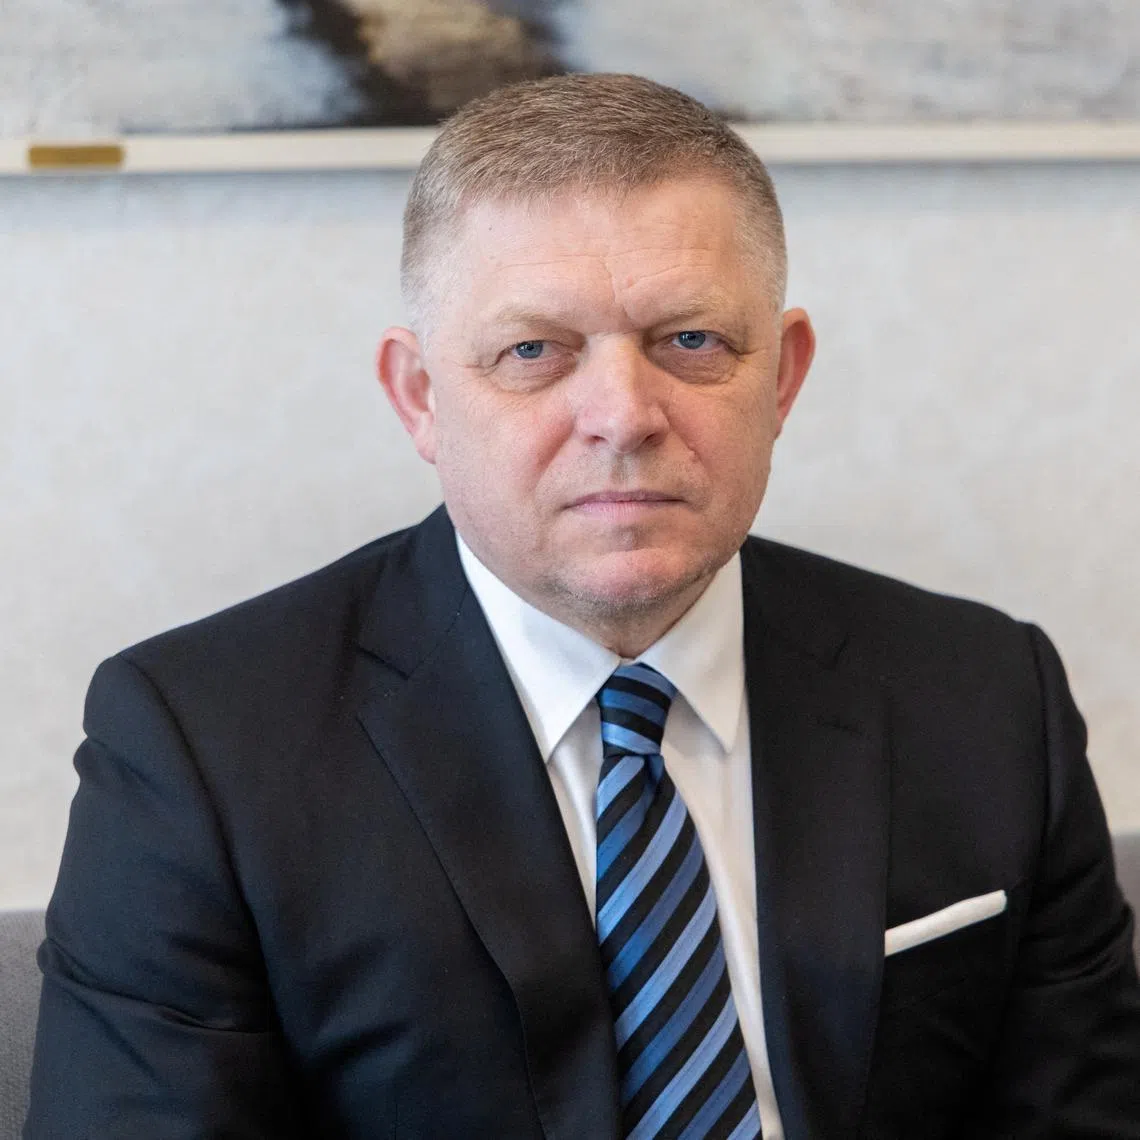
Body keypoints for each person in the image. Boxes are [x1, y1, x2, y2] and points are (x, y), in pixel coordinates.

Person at [25, 73, 1140, 1139]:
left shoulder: (990, 698)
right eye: (534, 352)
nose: (622, 414)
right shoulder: (200, 749)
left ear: (785, 377)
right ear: (421, 397)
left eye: (690, 341)